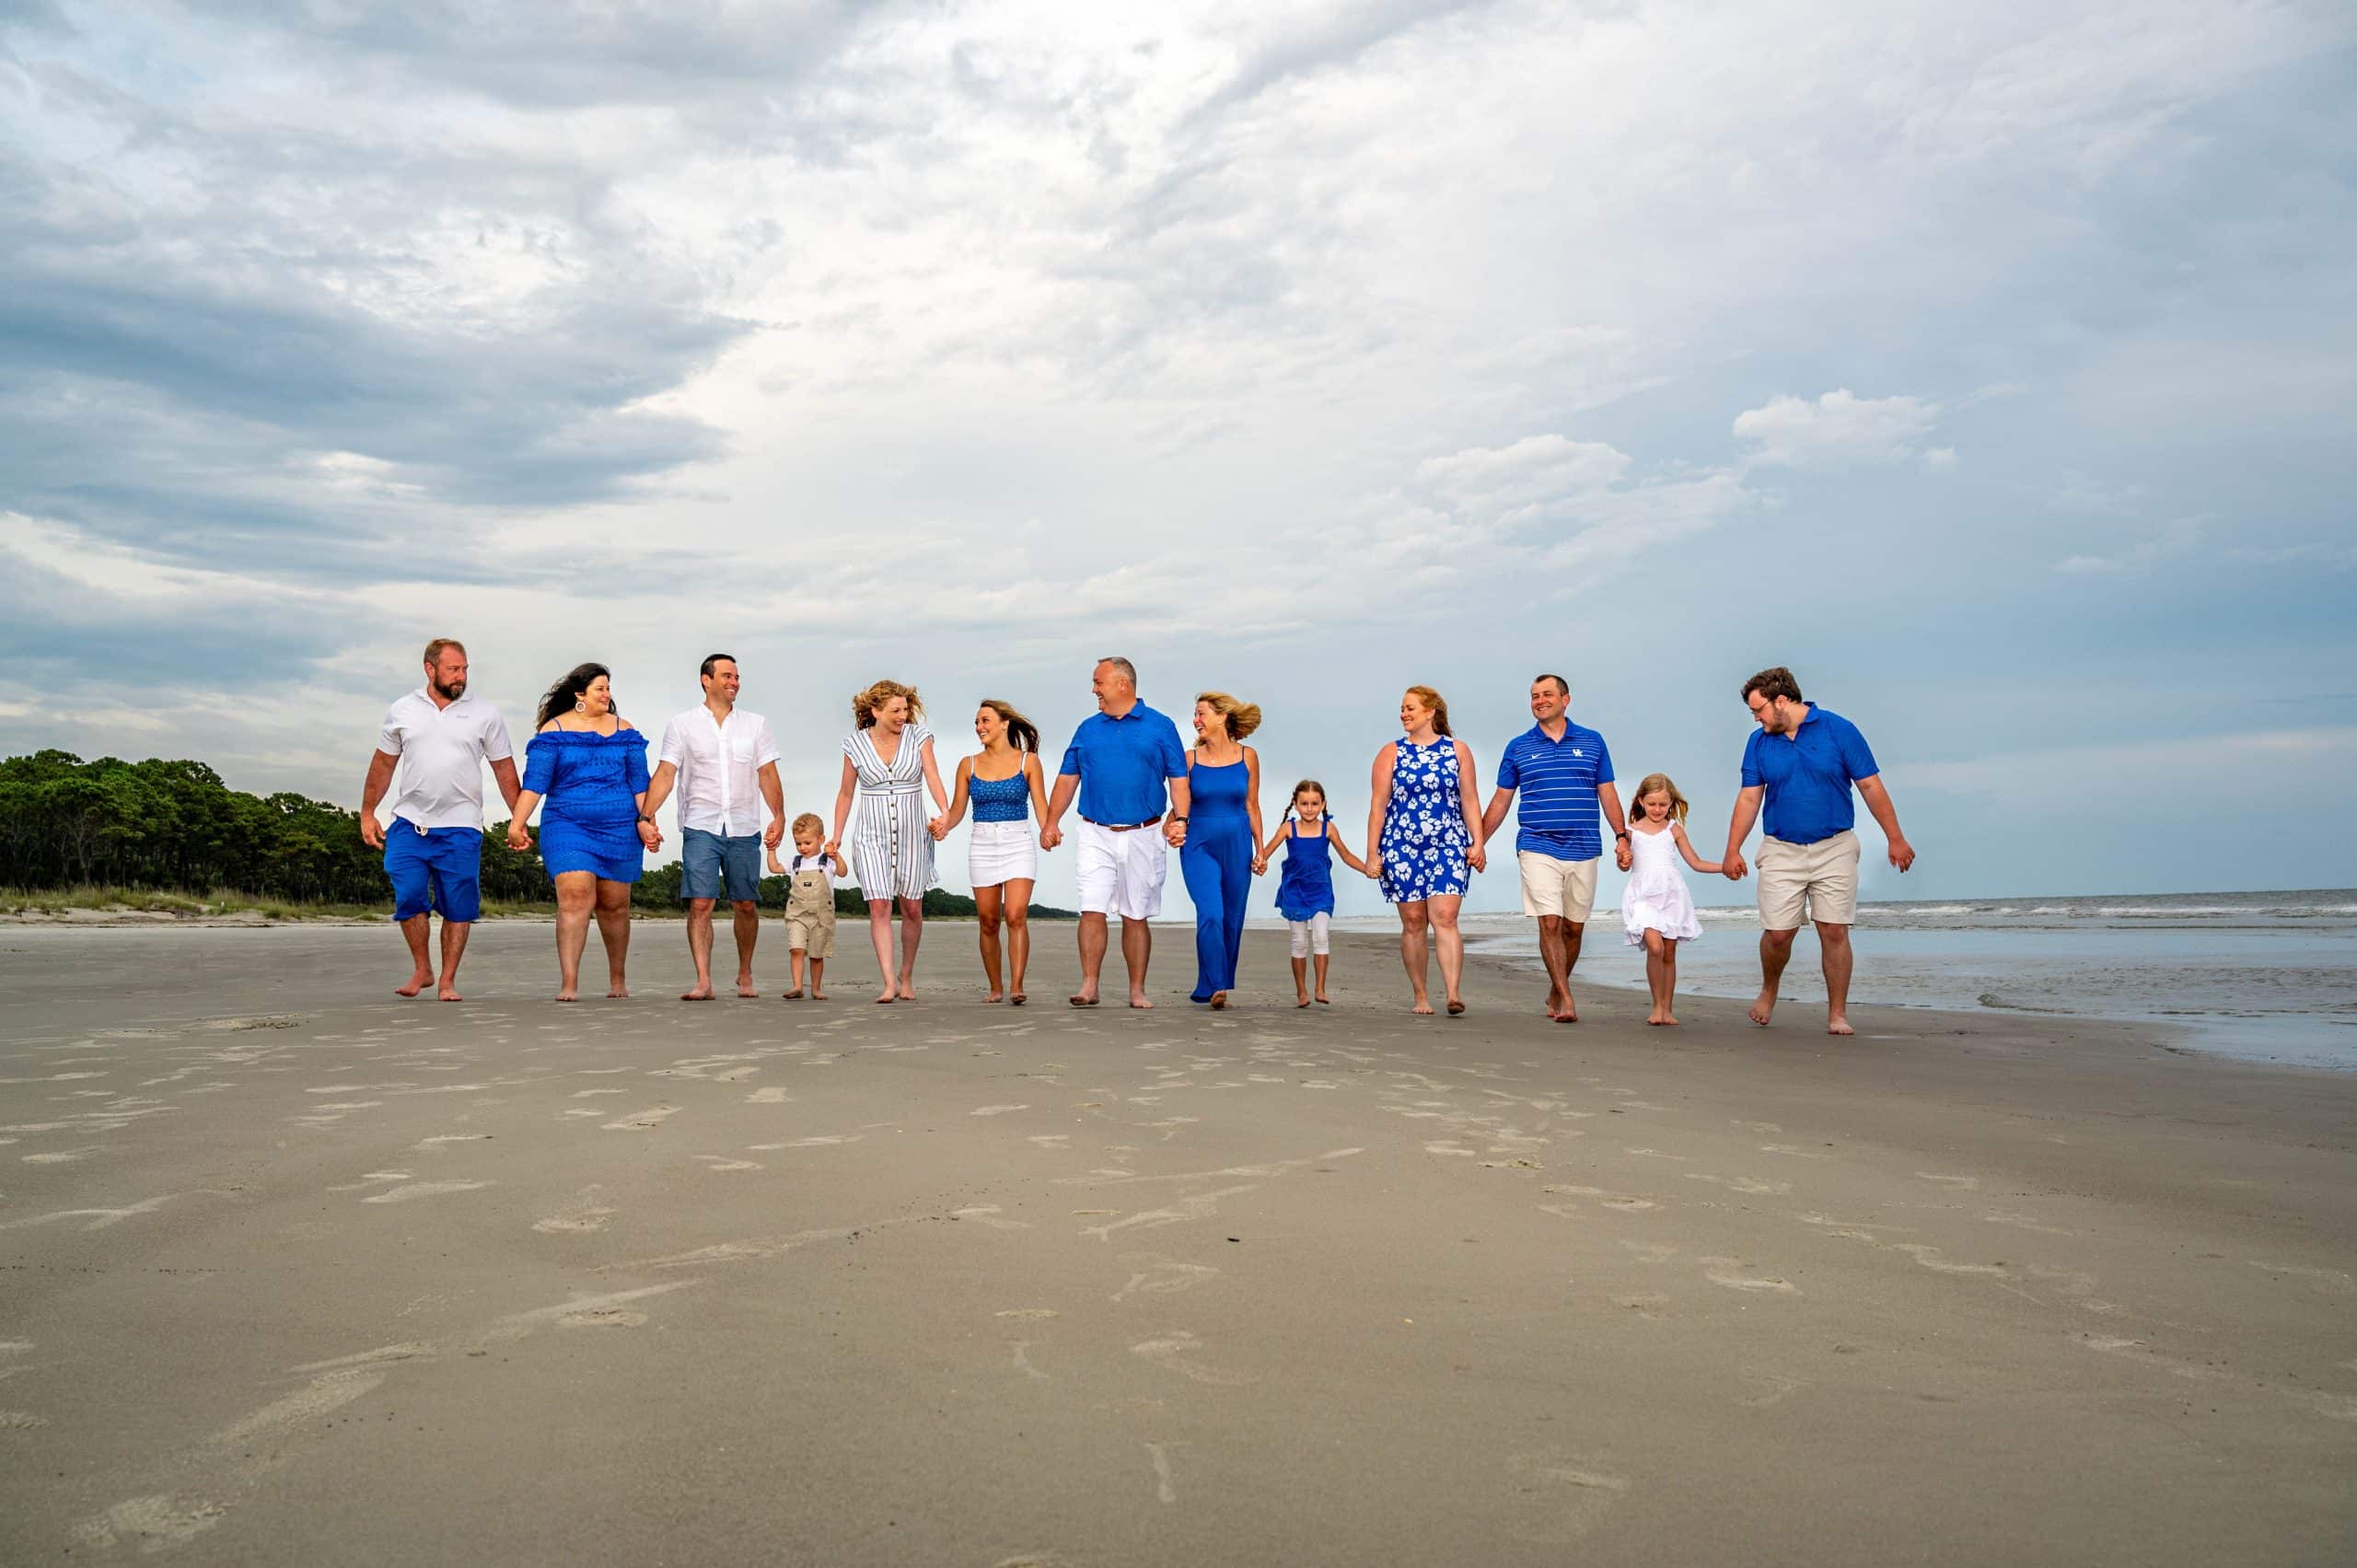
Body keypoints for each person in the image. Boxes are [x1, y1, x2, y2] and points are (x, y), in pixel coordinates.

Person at [1717, 667, 1917, 1036]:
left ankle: (1837, 1013)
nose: (1756, 719)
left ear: (1782, 701)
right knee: (1778, 933)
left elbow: (1870, 786)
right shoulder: (1759, 742)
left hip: (1835, 846)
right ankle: (1769, 988)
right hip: (1780, 848)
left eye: (1758, 710)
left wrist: (1896, 838)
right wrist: (1733, 849)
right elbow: (1749, 797)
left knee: (1834, 930)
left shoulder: (1839, 730)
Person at [359, 638, 520, 1002]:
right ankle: (423, 968)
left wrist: (518, 820)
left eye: (464, 669)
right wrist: (368, 812)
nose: (461, 676)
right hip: (409, 822)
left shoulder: (485, 714)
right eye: (453, 669)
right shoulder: (403, 709)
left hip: (462, 826)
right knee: (409, 894)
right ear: (430, 669)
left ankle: (447, 980)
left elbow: (504, 770)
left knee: (458, 905)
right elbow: (383, 764)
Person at [1479, 673, 1630, 1024]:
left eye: (1547, 694)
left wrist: (1622, 836)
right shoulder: (1518, 747)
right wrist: (1478, 843)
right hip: (1536, 844)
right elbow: (1501, 800)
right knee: (1549, 921)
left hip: (1584, 845)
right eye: (1534, 696)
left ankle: (1555, 987)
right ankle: (1566, 996)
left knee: (1573, 928)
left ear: (1566, 699)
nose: (1539, 700)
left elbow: (1607, 792)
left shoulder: (1592, 742)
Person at [1040, 657, 1190, 1009]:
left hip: (1145, 833)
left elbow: (1179, 781)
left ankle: (1137, 990)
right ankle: (1089, 985)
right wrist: (1051, 822)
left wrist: (1181, 819)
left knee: (1135, 914)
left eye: (1098, 682)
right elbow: (1067, 779)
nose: (1094, 689)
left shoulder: (1161, 726)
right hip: (1095, 831)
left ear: (1123, 684)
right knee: (1091, 908)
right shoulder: (1088, 729)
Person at [508, 664, 657, 1002]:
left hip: (619, 826)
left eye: (608, 689)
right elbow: (535, 784)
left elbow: (639, 783)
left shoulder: (626, 731)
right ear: (580, 695)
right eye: (600, 689)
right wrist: (517, 824)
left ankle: (617, 979)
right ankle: (569, 982)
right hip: (567, 823)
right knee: (576, 896)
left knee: (614, 905)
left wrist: (646, 820)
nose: (607, 695)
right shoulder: (553, 731)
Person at [643, 654, 784, 1001]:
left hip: (744, 826)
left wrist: (779, 815)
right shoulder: (682, 725)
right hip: (700, 824)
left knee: (746, 904)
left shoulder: (756, 724)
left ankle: (744, 972)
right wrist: (646, 817)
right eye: (727, 675)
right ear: (706, 680)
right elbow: (665, 773)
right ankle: (703, 980)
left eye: (737, 676)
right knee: (701, 904)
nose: (734, 681)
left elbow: (767, 773)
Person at [1367, 685, 1487, 1016]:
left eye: (1410, 708)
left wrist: (1478, 842)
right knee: (1414, 921)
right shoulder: (1391, 753)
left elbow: (1470, 799)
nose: (1404, 714)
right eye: (1402, 709)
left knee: (1445, 917)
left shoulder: (1457, 750)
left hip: (1448, 841)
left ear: (1431, 712)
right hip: (1401, 844)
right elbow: (1378, 806)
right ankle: (1421, 995)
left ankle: (1452, 993)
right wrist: (1372, 853)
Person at [827, 679, 948, 1004]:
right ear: (875, 711)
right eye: (895, 710)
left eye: (906, 710)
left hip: (913, 834)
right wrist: (836, 836)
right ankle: (888, 981)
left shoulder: (919, 737)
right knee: (879, 905)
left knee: (911, 906)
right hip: (871, 835)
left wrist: (945, 812)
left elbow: (933, 777)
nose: (902, 716)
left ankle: (906, 975)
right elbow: (846, 793)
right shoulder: (854, 745)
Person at [930, 700, 1051, 1005]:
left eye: (985, 721)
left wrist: (1050, 829)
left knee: (1015, 914)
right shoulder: (967, 764)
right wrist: (944, 824)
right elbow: (958, 810)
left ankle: (1016, 986)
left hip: (1018, 841)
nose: (979, 727)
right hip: (982, 843)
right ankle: (996, 987)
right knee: (988, 920)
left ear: (1004, 724)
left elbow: (1041, 806)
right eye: (976, 722)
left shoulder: (1029, 762)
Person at [1253, 778, 1373, 1007]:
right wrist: (1258, 862)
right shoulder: (1289, 828)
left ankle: (1320, 988)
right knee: (1299, 941)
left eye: (1314, 804)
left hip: (1321, 892)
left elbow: (1346, 856)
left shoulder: (1329, 829)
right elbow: (1265, 852)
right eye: (1305, 804)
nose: (1310, 809)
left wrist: (1366, 868)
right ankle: (1302, 992)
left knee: (1321, 936)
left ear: (1323, 804)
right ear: (1296, 805)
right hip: (1294, 891)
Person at [1179, 692, 1264, 1009]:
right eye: (1195, 714)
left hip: (1238, 844)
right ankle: (1216, 985)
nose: (1196, 720)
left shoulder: (1248, 756)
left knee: (1231, 917)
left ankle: (1214, 981)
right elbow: (1179, 807)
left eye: (1201, 713)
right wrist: (1173, 827)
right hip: (1199, 844)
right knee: (1210, 912)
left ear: (1222, 717)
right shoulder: (1190, 760)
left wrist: (1261, 850)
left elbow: (1252, 805)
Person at [1620, 772, 1722, 1027]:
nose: (1657, 809)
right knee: (1655, 947)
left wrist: (1725, 867)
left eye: (1663, 804)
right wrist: (1623, 860)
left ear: (1670, 803)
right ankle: (1656, 1006)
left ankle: (1667, 1009)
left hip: (1672, 895)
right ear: (1641, 801)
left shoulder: (1674, 829)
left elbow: (1695, 862)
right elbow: (1623, 864)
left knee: (1669, 953)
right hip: (1643, 895)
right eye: (1652, 804)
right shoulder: (1630, 831)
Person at [767, 813, 846, 1001]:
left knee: (816, 955)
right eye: (798, 843)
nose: (802, 847)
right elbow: (774, 868)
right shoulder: (795, 862)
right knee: (797, 949)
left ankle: (816, 989)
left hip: (821, 916)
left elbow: (843, 872)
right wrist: (771, 849)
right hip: (797, 915)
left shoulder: (827, 861)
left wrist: (837, 855)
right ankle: (797, 986)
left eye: (807, 843)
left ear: (821, 839)